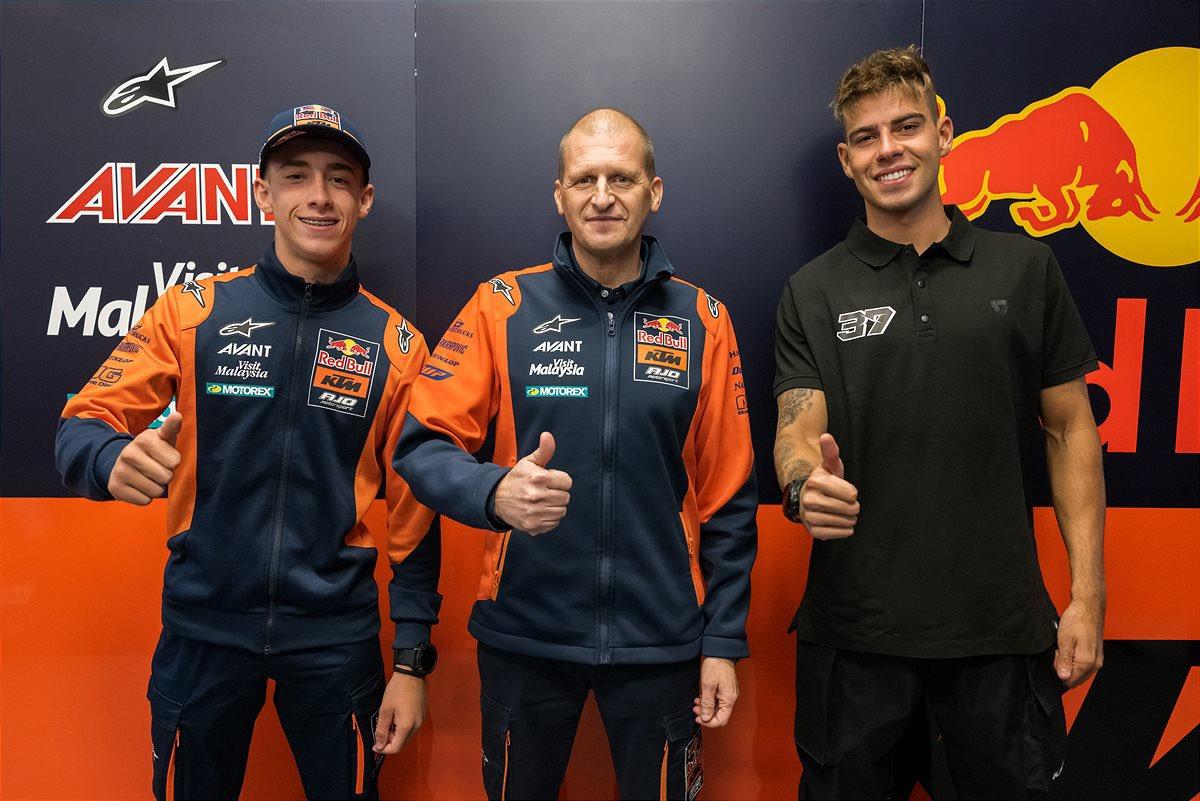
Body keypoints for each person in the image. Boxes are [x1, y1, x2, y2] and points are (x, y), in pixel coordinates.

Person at [55, 104, 438, 800]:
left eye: (339, 178)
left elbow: (416, 517)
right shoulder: (192, 311)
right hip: (202, 629)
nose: (318, 196)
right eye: (296, 176)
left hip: (335, 639)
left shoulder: (398, 346)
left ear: (364, 199)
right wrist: (106, 459)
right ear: (263, 194)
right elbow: (83, 422)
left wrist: (411, 662)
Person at [393, 108, 757, 800]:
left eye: (622, 178)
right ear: (558, 194)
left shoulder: (703, 320)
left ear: (655, 191)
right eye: (584, 179)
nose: (602, 196)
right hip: (524, 637)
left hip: (662, 643)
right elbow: (420, 444)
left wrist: (723, 642)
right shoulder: (501, 305)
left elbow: (730, 497)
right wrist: (493, 492)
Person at [773, 47, 1106, 799]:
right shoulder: (812, 290)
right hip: (855, 640)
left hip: (1001, 637)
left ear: (944, 133)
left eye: (907, 126)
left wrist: (1088, 597)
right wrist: (803, 483)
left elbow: (1069, 431)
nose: (888, 149)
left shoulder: (1025, 269)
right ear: (847, 160)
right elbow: (797, 427)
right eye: (866, 137)